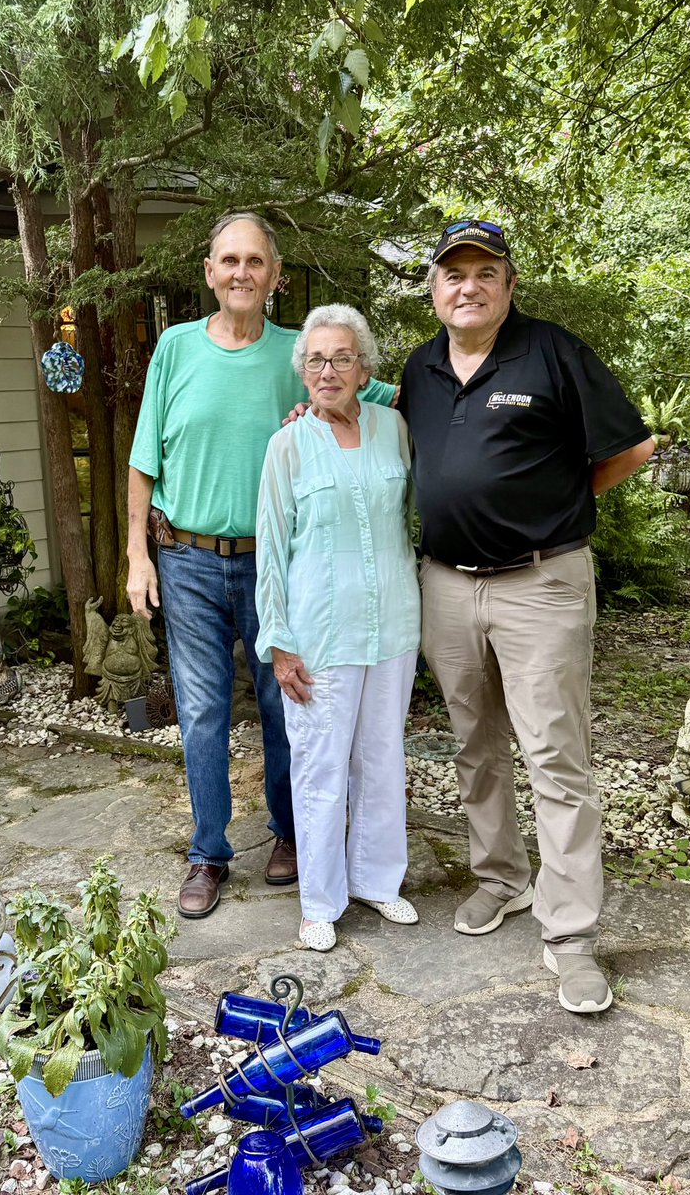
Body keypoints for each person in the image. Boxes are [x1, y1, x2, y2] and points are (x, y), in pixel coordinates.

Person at [399, 219, 655, 1013]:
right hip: (445, 584)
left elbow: (631, 448)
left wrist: (558, 510)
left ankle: (570, 936)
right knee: (474, 746)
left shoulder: (551, 352)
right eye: (452, 274)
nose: (466, 286)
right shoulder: (420, 368)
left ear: (508, 285)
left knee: (554, 758)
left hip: (540, 584)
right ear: (434, 289)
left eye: (483, 273)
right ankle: (500, 879)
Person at [127, 214, 395, 919]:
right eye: (229, 260)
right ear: (210, 273)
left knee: (286, 704)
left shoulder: (299, 354)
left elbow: (375, 396)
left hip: (279, 565)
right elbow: (142, 460)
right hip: (185, 558)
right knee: (204, 711)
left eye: (255, 261)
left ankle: (290, 834)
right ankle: (208, 853)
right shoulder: (175, 348)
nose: (241, 272)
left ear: (275, 278)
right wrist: (135, 557)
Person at [256, 305, 420, 952]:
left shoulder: (394, 430)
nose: (327, 370)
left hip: (393, 629)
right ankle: (320, 901)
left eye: (340, 358)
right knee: (320, 770)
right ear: (302, 372)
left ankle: (378, 880)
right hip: (318, 636)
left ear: (363, 369)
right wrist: (278, 643)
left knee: (381, 760)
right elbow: (270, 551)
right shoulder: (286, 445)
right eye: (315, 360)